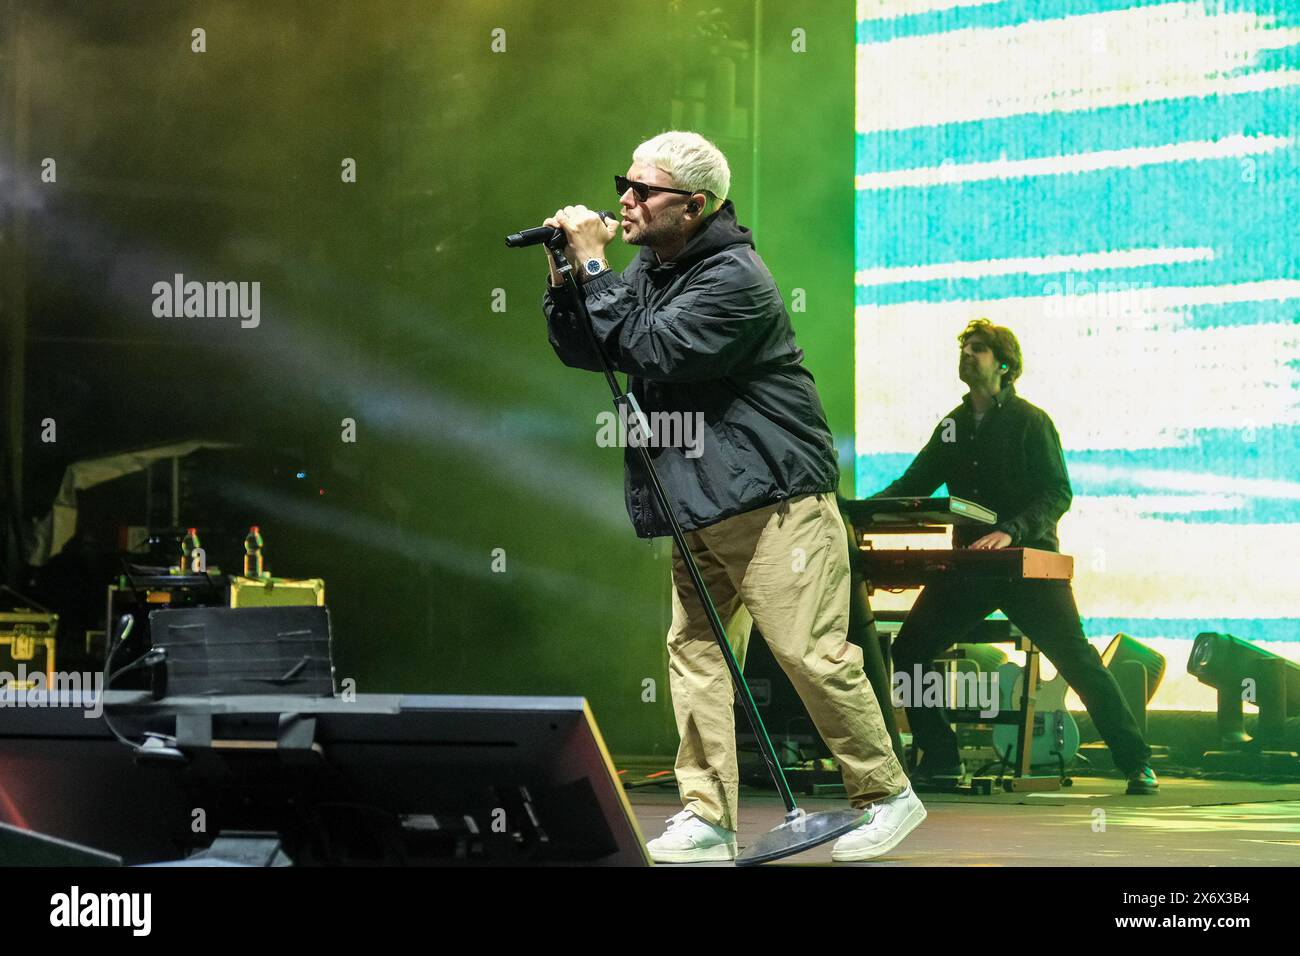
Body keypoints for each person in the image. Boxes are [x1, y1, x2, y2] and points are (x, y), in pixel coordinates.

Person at [541, 131, 924, 862]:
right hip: (699, 500)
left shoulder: (735, 277)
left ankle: (887, 795)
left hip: (773, 496)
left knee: (809, 652)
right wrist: (567, 279)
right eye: (623, 182)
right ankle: (707, 817)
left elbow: (658, 350)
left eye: (642, 189)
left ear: (693, 206)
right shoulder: (652, 268)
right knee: (696, 653)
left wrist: (594, 266)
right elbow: (593, 347)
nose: (624, 198)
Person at [873, 318, 1159, 795]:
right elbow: (911, 487)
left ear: (1005, 364)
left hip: (1029, 567)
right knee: (909, 651)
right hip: (971, 568)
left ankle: (1136, 762)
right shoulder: (953, 427)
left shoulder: (1031, 421)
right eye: (965, 348)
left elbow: (1057, 492)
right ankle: (941, 760)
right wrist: (854, 512)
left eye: (979, 349)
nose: (967, 355)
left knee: (1077, 660)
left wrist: (1011, 532)